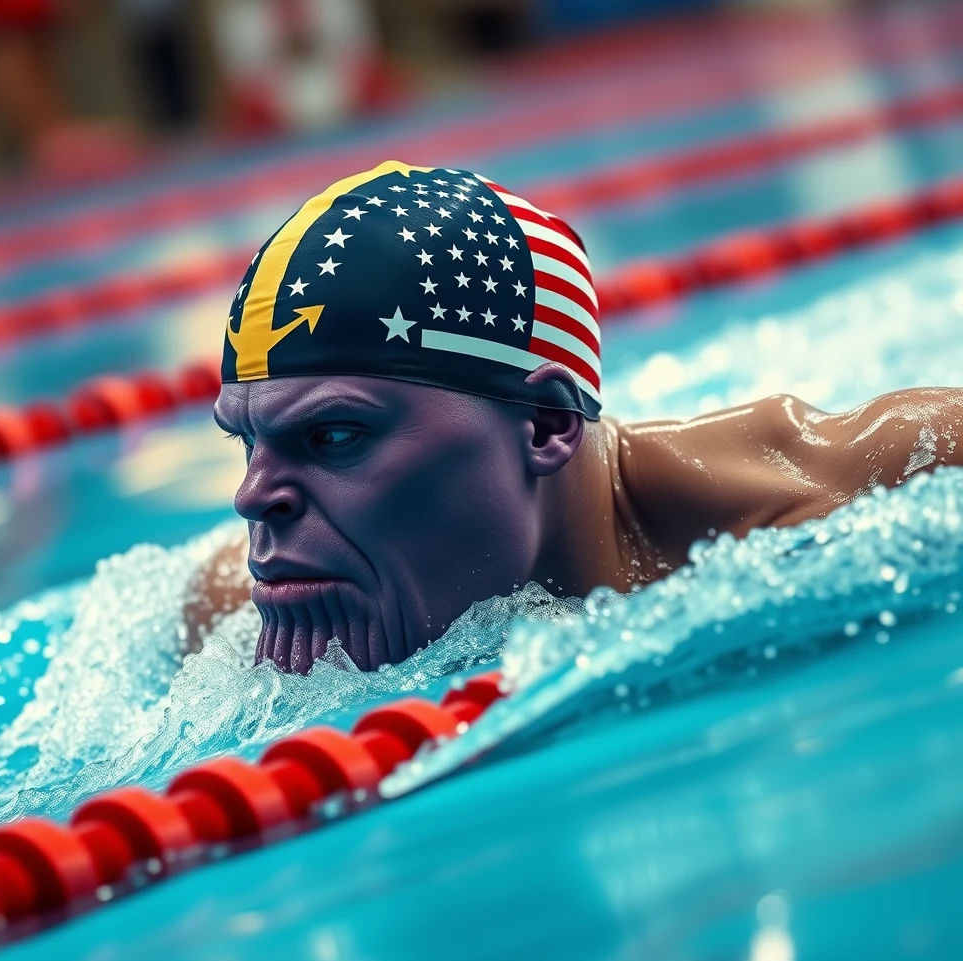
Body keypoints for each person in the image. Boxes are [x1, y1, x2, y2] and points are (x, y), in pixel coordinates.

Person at [185, 160, 963, 673]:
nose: (253, 496)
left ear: (545, 424)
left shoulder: (857, 492)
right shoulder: (225, 608)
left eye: (333, 435)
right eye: (247, 439)